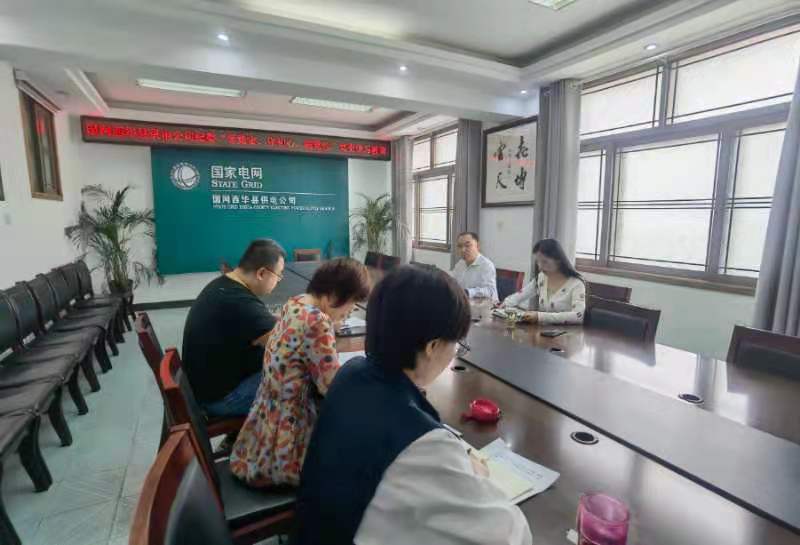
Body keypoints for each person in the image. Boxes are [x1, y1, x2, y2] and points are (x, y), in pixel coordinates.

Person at [295, 266, 532, 545]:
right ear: (432, 347)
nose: (455, 352)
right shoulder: (424, 447)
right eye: (457, 343)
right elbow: (510, 535)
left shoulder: (351, 373)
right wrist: (478, 477)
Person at [230, 257, 371, 487]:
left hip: (264, 428)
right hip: (287, 445)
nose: (351, 310)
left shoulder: (296, 303)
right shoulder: (317, 321)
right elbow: (331, 388)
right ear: (333, 295)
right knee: (360, 455)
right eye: (352, 302)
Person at [181, 239, 285, 417]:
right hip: (221, 400)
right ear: (261, 273)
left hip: (207, 387)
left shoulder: (224, 285)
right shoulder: (239, 302)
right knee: (296, 379)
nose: (279, 281)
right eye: (279, 275)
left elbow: (264, 324)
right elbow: (284, 342)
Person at [501, 238, 586, 325]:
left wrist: (540, 316)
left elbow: (578, 316)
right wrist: (504, 304)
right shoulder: (542, 278)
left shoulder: (576, 283)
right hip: (543, 330)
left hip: (567, 332)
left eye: (545, 262)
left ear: (559, 260)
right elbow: (521, 294)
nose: (540, 267)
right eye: (538, 262)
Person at [450, 231, 498, 301]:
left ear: (478, 246)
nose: (463, 250)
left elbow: (490, 290)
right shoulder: (460, 264)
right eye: (460, 246)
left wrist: (469, 292)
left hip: (486, 305)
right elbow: (453, 282)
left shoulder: (487, 265)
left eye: (467, 245)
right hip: (465, 303)